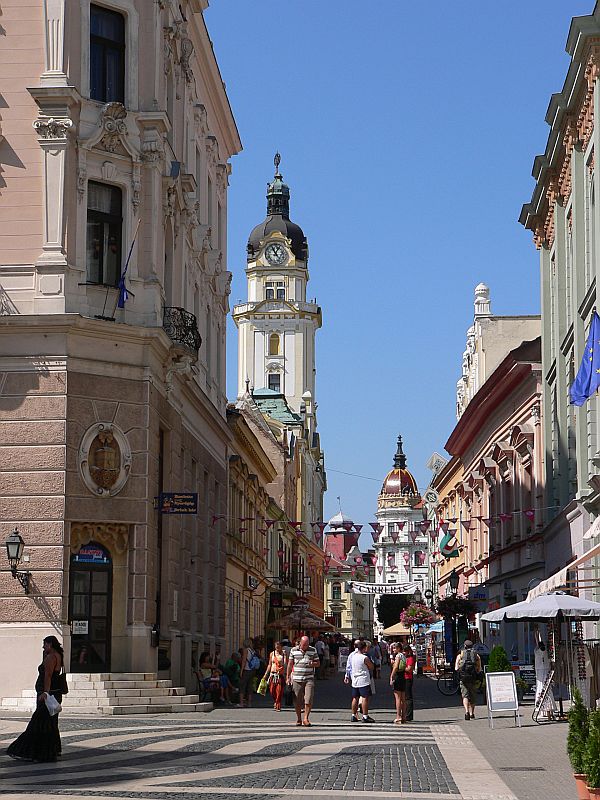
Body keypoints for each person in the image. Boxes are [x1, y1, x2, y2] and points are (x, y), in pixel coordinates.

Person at [7, 636, 65, 762]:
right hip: (55, 694)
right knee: (50, 723)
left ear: (50, 644)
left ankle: (34, 751)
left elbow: (48, 676)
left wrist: (45, 692)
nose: (43, 647)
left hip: (48, 695)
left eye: (45, 644)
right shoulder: (58, 656)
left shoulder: (51, 657)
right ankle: (52, 750)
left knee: (39, 722)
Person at [286, 635, 320, 727]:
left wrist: (313, 664)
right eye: (304, 644)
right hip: (297, 679)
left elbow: (318, 663)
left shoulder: (313, 650)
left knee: (308, 698)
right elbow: (290, 664)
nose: (305, 646)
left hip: (309, 678)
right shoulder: (293, 650)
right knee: (297, 700)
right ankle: (299, 718)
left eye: (307, 644)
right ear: (300, 643)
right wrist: (288, 677)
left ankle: (306, 718)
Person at [345, 640, 375, 723]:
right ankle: (365, 716)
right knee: (365, 698)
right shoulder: (364, 657)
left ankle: (353, 715)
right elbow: (371, 667)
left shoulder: (353, 656)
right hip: (363, 679)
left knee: (355, 698)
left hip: (355, 680)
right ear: (364, 648)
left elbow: (349, 666)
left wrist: (347, 676)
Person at [455, 639, 482, 720]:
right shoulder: (476, 655)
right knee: (473, 696)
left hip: (463, 679)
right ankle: (472, 713)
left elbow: (456, 668)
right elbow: (479, 669)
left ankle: (466, 712)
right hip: (473, 678)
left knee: (465, 695)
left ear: (465, 646)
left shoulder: (460, 655)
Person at [263, 641, 287, 711]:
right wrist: (266, 674)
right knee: (271, 690)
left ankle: (278, 705)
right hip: (272, 674)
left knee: (279, 691)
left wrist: (284, 658)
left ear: (281, 647)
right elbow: (269, 664)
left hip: (280, 675)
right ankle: (276, 701)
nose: (277, 649)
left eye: (278, 647)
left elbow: (285, 664)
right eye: (276, 647)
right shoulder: (272, 654)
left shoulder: (283, 654)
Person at [390, 643, 407, 724]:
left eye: (395, 648)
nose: (393, 650)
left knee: (398, 698)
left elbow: (396, 667)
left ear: (398, 648)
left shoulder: (398, 656)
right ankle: (404, 716)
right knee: (403, 698)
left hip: (397, 676)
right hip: (403, 676)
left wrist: (392, 676)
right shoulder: (403, 656)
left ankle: (398, 717)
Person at [239, 638, 259, 708]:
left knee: (242, 686)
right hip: (252, 670)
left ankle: (241, 703)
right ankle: (249, 703)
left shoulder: (246, 650)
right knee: (250, 687)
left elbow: (244, 661)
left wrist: (241, 670)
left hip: (246, 670)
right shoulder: (253, 651)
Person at [403, 644, 416, 721]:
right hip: (404, 678)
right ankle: (406, 714)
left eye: (405, 651)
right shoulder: (406, 658)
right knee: (405, 697)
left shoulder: (410, 658)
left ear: (408, 651)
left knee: (408, 697)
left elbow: (409, 669)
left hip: (408, 678)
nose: (403, 653)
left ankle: (409, 715)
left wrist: (402, 667)